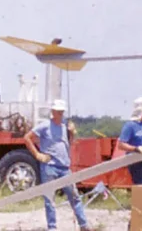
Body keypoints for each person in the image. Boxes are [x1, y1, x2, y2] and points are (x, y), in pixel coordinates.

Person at [24, 99, 88, 231]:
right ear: (53, 112)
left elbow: (68, 143)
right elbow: (27, 137)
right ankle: (52, 227)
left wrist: (72, 133)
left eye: (61, 112)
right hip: (49, 167)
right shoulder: (45, 126)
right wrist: (37, 155)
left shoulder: (65, 127)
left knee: (74, 196)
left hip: (64, 167)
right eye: (57, 111)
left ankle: (83, 225)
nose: (60, 114)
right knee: (50, 199)